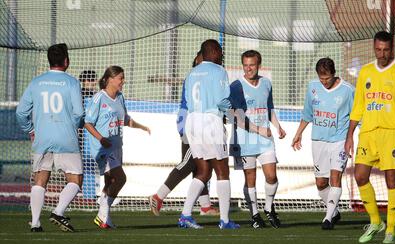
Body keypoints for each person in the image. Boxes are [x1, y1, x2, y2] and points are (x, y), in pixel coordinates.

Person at [179, 39, 270, 229]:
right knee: (222, 171)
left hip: (192, 122)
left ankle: (185, 215)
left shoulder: (191, 73)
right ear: (213, 51)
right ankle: (225, 220)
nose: (222, 55)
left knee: (203, 171)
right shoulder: (219, 71)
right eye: (220, 51)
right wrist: (233, 113)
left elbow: (187, 100)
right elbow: (222, 100)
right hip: (210, 122)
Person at [344, 31, 395, 244]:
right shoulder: (365, 72)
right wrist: (350, 136)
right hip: (368, 133)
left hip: (392, 133)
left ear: (392, 49)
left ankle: (391, 230)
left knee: (392, 180)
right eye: (378, 49)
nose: (382, 54)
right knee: (360, 176)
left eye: (385, 50)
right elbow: (358, 107)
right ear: (373, 48)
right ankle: (375, 221)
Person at [16, 43, 84, 232]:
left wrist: (30, 129)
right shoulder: (71, 82)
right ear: (66, 61)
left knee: (40, 180)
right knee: (75, 180)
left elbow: (21, 112)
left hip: (42, 138)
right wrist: (74, 126)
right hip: (66, 138)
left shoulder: (36, 82)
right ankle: (58, 212)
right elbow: (78, 113)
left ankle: (36, 223)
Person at [149, 52, 219, 216]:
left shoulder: (200, 77)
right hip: (191, 125)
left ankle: (205, 206)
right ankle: (158, 196)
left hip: (197, 124)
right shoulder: (195, 77)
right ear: (196, 60)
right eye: (202, 58)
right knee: (188, 163)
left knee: (200, 165)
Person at [84, 65, 151, 229]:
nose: (123, 81)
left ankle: (104, 218)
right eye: (121, 78)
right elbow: (87, 123)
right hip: (103, 148)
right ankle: (102, 214)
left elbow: (126, 119)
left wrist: (142, 127)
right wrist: (101, 139)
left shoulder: (120, 97)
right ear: (110, 79)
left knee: (110, 182)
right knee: (121, 178)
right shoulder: (99, 98)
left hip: (116, 146)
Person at [291, 57, 354, 230]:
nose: (324, 82)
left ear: (334, 74)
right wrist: (298, 134)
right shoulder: (313, 87)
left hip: (339, 140)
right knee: (320, 183)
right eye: (321, 78)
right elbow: (307, 113)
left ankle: (327, 219)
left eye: (327, 78)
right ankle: (334, 211)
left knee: (335, 178)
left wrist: (350, 138)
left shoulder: (348, 90)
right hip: (318, 140)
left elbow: (356, 117)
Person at [229, 50, 286, 229]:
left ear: (258, 65)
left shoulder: (266, 83)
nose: (248, 69)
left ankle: (269, 208)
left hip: (265, 139)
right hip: (246, 140)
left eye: (251, 65)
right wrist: (259, 130)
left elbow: (269, 109)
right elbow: (236, 117)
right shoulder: (236, 86)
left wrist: (278, 126)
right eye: (245, 65)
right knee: (250, 178)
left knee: (272, 175)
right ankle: (254, 214)